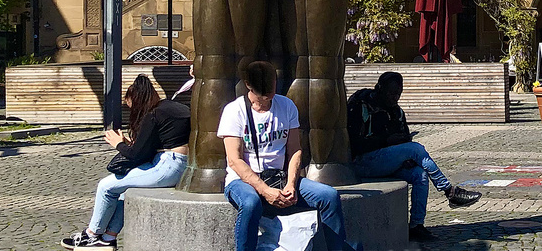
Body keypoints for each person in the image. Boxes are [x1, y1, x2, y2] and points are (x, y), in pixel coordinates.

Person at [219, 60, 358, 251]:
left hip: (279, 176)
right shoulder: (234, 111)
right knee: (250, 204)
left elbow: (295, 150)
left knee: (329, 196)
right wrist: (264, 190)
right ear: (248, 85)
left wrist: (291, 184)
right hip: (241, 181)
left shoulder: (286, 106)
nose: (267, 98)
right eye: (262, 94)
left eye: (271, 91)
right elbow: (234, 160)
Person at [347, 71, 481, 243]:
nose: (394, 98)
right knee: (415, 149)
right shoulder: (361, 105)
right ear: (379, 88)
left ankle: (416, 225)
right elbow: (354, 144)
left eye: (398, 94)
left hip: (388, 163)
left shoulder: (397, 112)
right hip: (363, 162)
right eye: (391, 93)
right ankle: (449, 191)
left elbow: (405, 137)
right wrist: (386, 141)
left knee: (420, 174)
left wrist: (404, 154)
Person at [60, 76, 191, 248]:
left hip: (169, 165)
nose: (132, 112)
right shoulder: (169, 108)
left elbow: (135, 155)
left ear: (137, 101)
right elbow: (156, 144)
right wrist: (129, 144)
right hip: (180, 163)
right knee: (124, 191)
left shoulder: (153, 114)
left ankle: (91, 235)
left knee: (105, 186)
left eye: (132, 107)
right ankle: (107, 239)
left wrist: (119, 144)